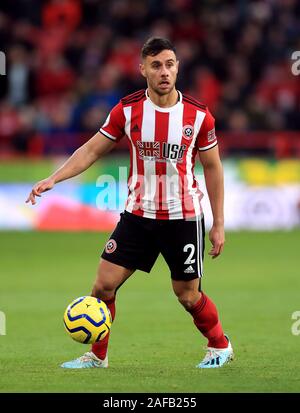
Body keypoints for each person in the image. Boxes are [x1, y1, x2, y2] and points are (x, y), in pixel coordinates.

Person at [26, 37, 234, 369]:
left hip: (183, 217)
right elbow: (91, 150)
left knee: (187, 295)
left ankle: (220, 345)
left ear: (177, 67)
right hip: (137, 216)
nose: (164, 72)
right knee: (103, 286)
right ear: (143, 70)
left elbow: (213, 167)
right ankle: (97, 356)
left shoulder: (198, 116)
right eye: (156, 65)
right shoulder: (127, 110)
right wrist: (55, 177)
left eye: (169, 64)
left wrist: (219, 223)